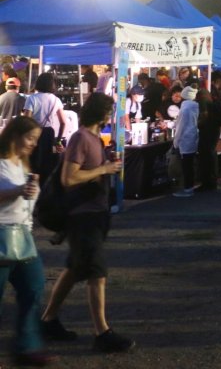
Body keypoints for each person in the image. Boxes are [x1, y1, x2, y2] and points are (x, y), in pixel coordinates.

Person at [39, 93, 134, 353]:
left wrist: (106, 164)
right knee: (96, 272)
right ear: (102, 114)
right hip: (83, 217)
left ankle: (47, 320)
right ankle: (102, 332)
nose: (110, 116)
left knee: (74, 269)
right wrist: (103, 170)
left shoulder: (93, 139)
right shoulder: (81, 137)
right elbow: (69, 178)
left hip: (94, 214)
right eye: (110, 112)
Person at [0, 116, 52, 365]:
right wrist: (18, 191)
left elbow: (28, 203)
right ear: (14, 136)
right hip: (1, 234)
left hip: (22, 235)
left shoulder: (23, 165)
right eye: (30, 138)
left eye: (36, 140)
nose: (33, 144)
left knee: (34, 287)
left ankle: (27, 346)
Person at [22, 74, 69, 179]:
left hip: (34, 133)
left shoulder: (32, 98)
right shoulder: (56, 100)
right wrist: (58, 140)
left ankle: (33, 184)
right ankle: (45, 188)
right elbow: (63, 122)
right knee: (46, 163)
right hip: (49, 133)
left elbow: (26, 121)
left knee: (33, 161)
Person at [195, 88, 221, 193]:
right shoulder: (214, 103)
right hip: (215, 131)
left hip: (207, 132)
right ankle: (212, 181)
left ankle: (207, 182)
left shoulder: (204, 103)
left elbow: (204, 116)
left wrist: (197, 124)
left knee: (205, 156)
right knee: (211, 155)